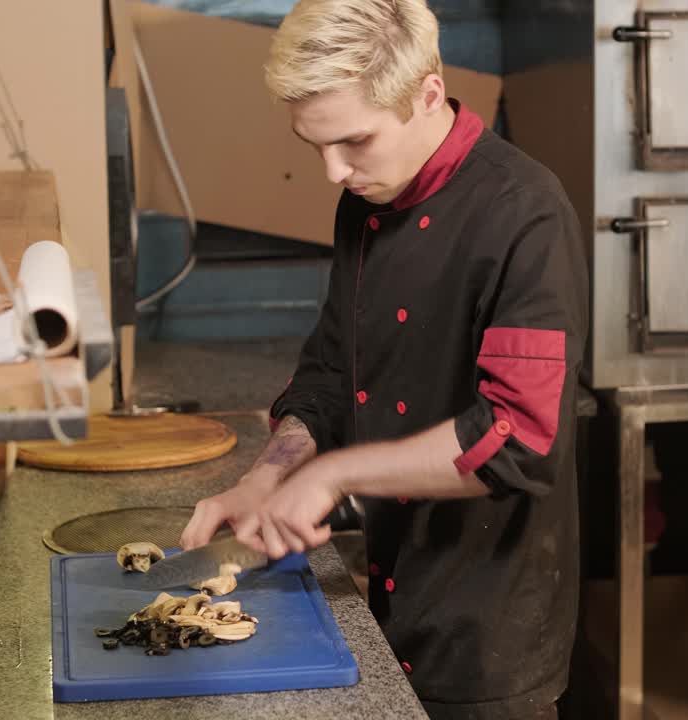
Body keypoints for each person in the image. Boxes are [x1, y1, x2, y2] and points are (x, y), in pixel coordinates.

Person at [179, 1, 588, 717]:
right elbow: (333, 371)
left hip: (488, 629)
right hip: (391, 589)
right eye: (317, 147)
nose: (334, 171)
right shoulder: (369, 198)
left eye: (354, 142)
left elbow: (518, 437)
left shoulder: (526, 213)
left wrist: (336, 474)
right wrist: (269, 477)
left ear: (428, 93)